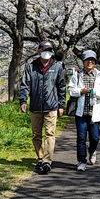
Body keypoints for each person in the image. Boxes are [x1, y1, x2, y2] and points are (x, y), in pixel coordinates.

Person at [19, 41, 66, 175]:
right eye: (45, 49)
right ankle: (40, 157)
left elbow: (61, 86)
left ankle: (47, 161)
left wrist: (61, 105)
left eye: (50, 50)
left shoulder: (57, 66)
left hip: (51, 106)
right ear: (39, 51)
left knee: (50, 133)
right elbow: (25, 85)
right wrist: (23, 100)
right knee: (36, 134)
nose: (47, 52)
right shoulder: (31, 67)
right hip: (35, 106)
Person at [68, 49, 100, 171]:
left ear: (95, 62)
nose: (89, 62)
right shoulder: (77, 75)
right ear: (84, 62)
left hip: (94, 111)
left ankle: (92, 151)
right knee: (81, 137)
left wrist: (94, 92)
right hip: (81, 112)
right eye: (87, 60)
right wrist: (81, 91)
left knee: (95, 137)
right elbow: (70, 89)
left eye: (92, 60)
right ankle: (82, 161)